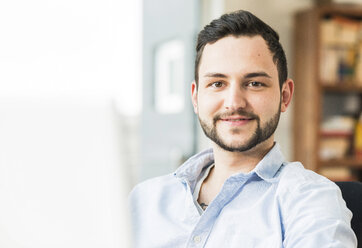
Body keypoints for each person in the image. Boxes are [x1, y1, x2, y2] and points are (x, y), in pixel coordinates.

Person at [129, 10, 357, 247]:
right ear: (196, 98)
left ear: (285, 96)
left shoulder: (311, 199)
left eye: (254, 83)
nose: (234, 102)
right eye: (217, 83)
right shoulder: (144, 200)